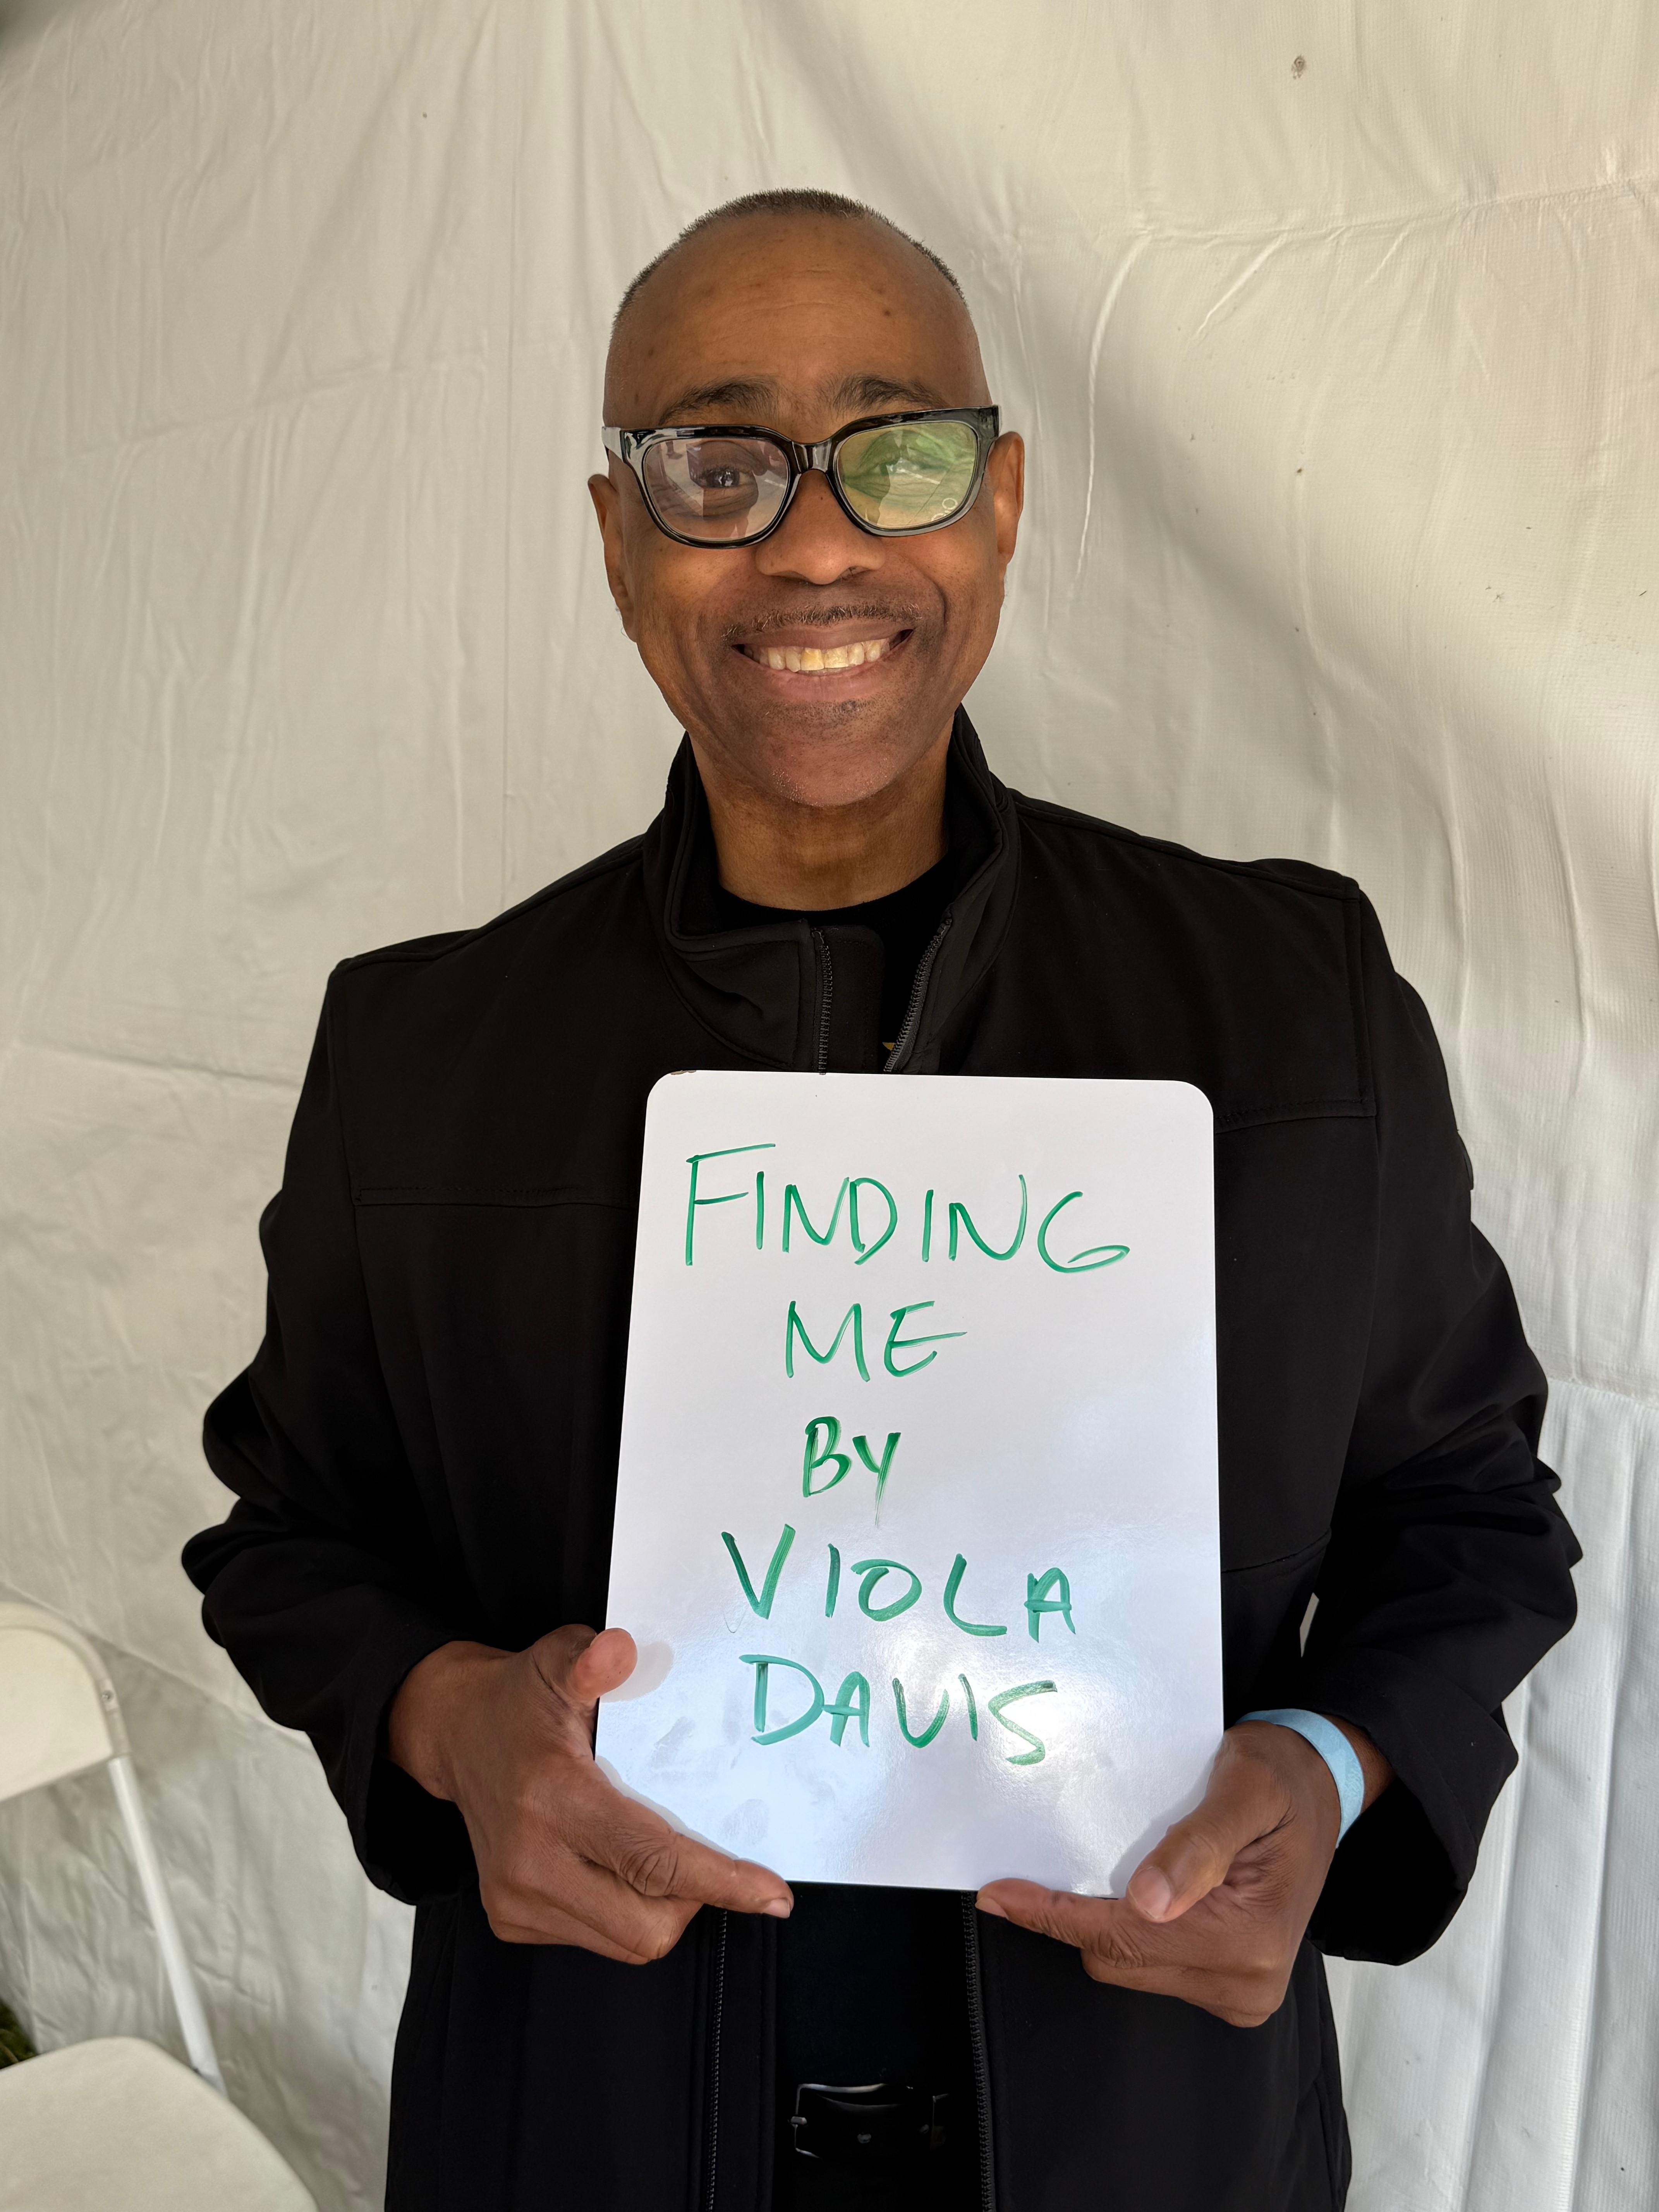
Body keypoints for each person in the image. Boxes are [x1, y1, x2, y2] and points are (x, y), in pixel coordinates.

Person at [184, 189, 1580, 2212]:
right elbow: (292, 1532)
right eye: (715, 460)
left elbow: (1468, 1510)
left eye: (895, 451)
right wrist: (447, 1714)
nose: (813, 538)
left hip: (1153, 2140)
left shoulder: (1288, 1004)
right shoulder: (422, 1050)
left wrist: (1327, 1762)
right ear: (616, 538)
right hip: (574, 2138)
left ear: (1000, 502)